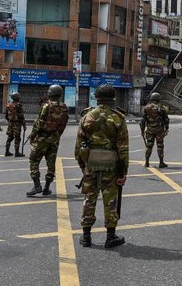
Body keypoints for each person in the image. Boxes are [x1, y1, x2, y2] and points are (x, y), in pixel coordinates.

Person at [75, 84, 129, 248]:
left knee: (89, 199)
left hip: (90, 164)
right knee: (110, 200)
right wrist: (123, 173)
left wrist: (83, 166)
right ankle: (110, 236)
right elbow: (123, 150)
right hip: (111, 166)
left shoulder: (86, 117)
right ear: (113, 99)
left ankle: (86, 237)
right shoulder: (118, 118)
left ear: (96, 98)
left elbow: (78, 147)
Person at [26, 85, 69, 196]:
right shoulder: (64, 107)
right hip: (54, 139)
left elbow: (39, 123)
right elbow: (63, 125)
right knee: (51, 163)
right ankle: (46, 188)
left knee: (34, 160)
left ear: (49, 93)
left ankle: (37, 186)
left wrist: (32, 135)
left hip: (42, 139)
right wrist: (57, 135)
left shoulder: (46, 106)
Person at [140, 92, 169, 168]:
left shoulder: (146, 108)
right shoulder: (161, 108)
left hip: (150, 130)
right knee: (160, 146)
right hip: (159, 130)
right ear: (158, 99)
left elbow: (143, 120)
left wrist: (142, 130)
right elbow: (166, 119)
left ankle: (147, 162)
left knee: (149, 146)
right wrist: (167, 128)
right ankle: (161, 162)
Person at [4, 92, 27, 157]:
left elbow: (6, 116)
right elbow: (21, 116)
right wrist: (24, 125)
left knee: (10, 137)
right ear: (17, 98)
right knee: (17, 138)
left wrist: (10, 121)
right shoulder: (18, 105)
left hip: (10, 124)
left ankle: (7, 151)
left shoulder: (8, 105)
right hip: (17, 124)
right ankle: (17, 152)